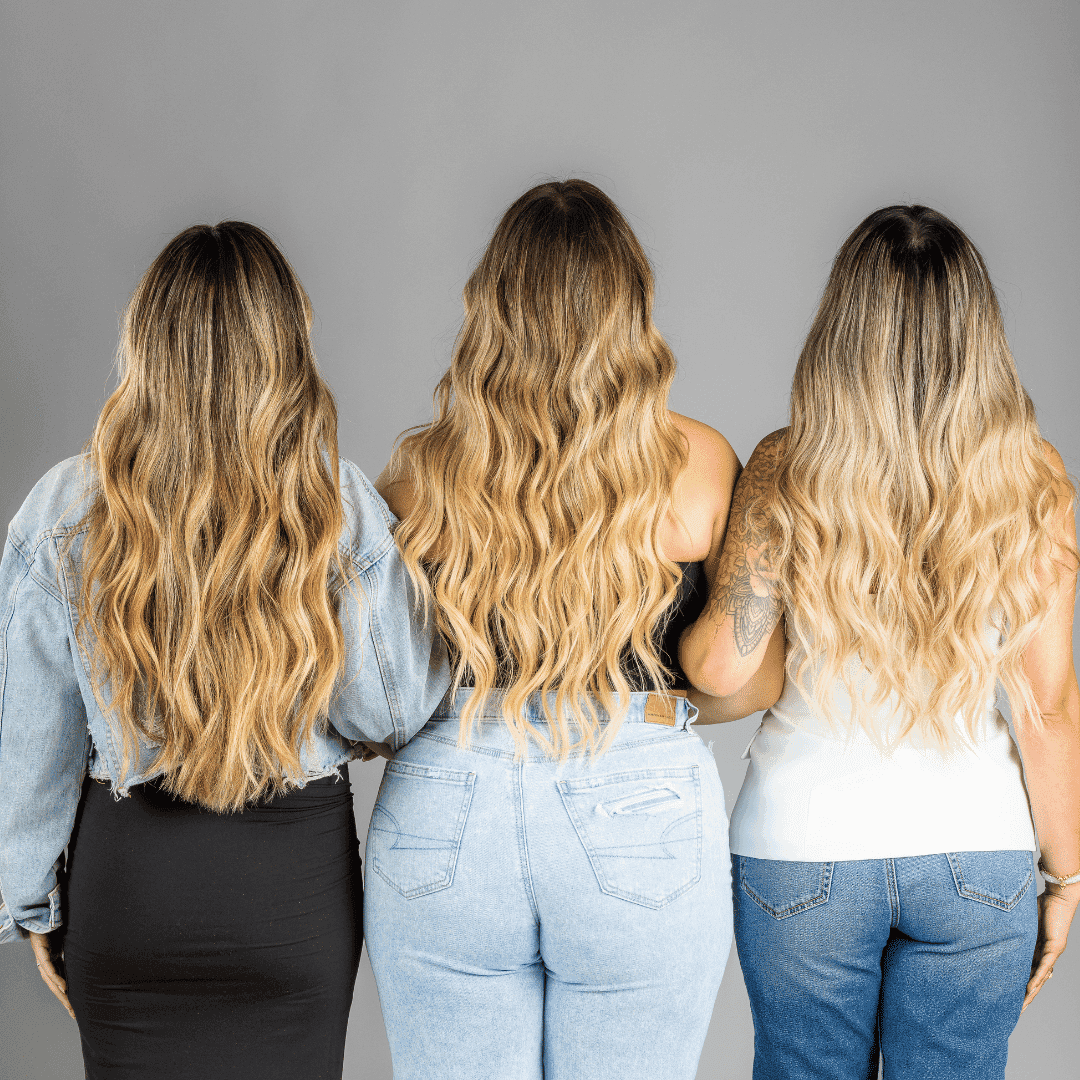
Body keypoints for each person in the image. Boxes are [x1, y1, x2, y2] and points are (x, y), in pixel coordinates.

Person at [0, 222, 450, 1080]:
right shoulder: (335, 503)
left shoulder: (63, 505)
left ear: (145, 347)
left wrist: (31, 905)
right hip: (289, 892)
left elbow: (32, 749)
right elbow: (394, 710)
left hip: (131, 892)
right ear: (287, 349)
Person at [363, 179, 781, 1080]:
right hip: (641, 817)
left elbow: (385, 685)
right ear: (631, 308)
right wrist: (641, 716)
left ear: (490, 309)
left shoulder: (418, 473)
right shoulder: (701, 466)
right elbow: (749, 681)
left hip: (448, 807)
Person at [680, 204, 1080, 1080]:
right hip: (978, 854)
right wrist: (1070, 877)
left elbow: (724, 664)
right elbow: (1047, 709)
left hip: (804, 854)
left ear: (841, 328)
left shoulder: (786, 465)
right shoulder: (1032, 477)